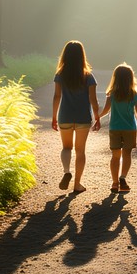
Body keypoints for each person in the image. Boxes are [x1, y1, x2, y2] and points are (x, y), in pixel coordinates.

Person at [51, 40, 101, 193]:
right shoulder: (88, 76)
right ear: (82, 56)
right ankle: (77, 184)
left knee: (66, 148)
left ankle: (67, 172)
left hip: (65, 116)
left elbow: (57, 96)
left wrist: (54, 117)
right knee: (80, 151)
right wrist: (97, 117)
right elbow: (93, 100)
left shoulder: (60, 75)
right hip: (82, 118)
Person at [96, 63, 137, 192]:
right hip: (130, 128)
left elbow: (106, 110)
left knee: (115, 156)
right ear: (131, 78)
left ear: (116, 78)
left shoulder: (112, 94)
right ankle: (123, 177)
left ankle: (114, 183)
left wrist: (97, 118)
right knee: (127, 154)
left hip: (115, 128)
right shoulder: (134, 95)